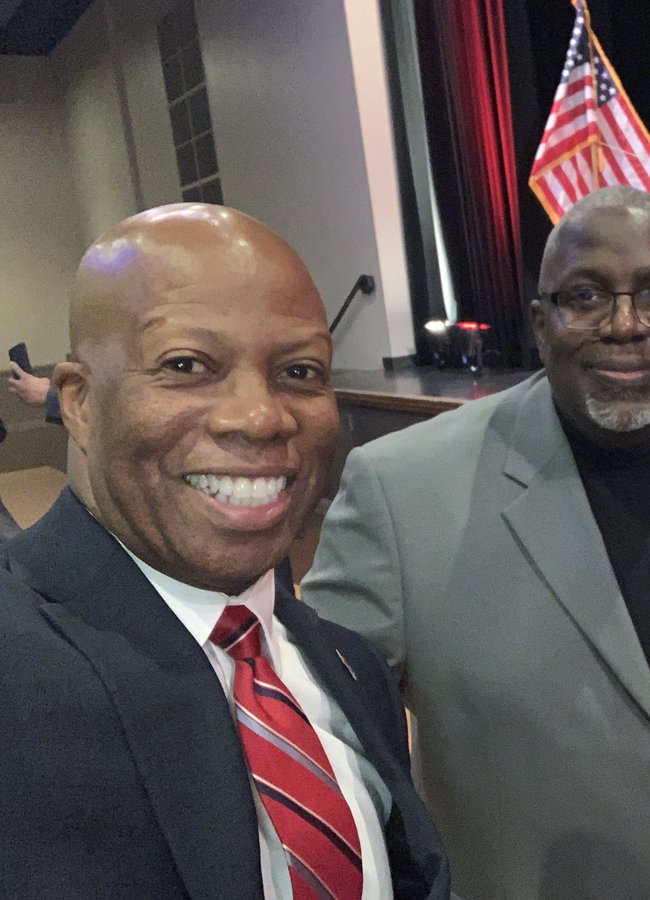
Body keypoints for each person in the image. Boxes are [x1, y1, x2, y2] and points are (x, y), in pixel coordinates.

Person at [303, 185, 650, 898]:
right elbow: (329, 756)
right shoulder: (397, 492)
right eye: (585, 297)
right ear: (540, 323)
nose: (624, 324)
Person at [0, 204, 450, 899]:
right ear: (81, 403)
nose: (260, 416)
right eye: (186, 365)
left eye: (300, 372)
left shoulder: (350, 668)